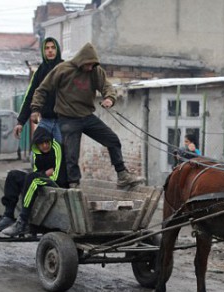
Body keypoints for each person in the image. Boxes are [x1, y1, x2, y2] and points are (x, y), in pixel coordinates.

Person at [30, 42, 143, 188]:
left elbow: (106, 86)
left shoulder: (95, 71)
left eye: (92, 64)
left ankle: (122, 175)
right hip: (68, 117)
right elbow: (42, 90)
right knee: (71, 153)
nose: (90, 67)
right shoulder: (63, 70)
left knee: (112, 139)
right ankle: (74, 184)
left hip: (87, 116)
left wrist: (109, 98)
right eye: (88, 64)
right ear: (80, 61)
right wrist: (35, 109)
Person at [0, 126, 67, 237]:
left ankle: (23, 221)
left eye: (47, 142)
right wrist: (44, 174)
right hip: (43, 178)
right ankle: (8, 216)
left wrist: (43, 175)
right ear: (36, 144)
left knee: (33, 179)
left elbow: (57, 174)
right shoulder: (35, 151)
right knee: (13, 175)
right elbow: (37, 171)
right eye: (41, 143)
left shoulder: (57, 148)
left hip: (58, 182)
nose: (45, 145)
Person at [13, 37, 63, 142]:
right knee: (37, 153)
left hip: (63, 121)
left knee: (64, 155)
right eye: (47, 48)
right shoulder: (40, 71)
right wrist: (20, 122)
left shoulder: (66, 68)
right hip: (45, 121)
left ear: (57, 50)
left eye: (53, 48)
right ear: (43, 51)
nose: (50, 50)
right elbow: (31, 96)